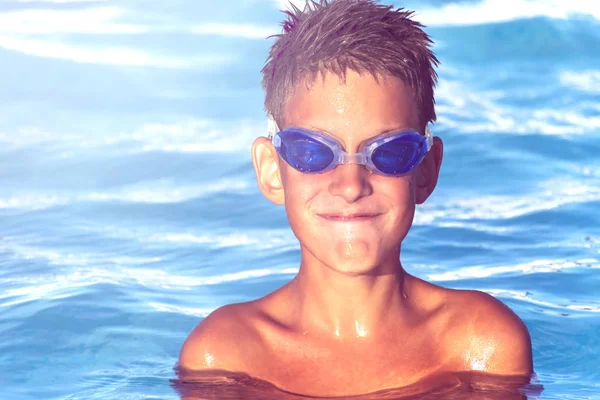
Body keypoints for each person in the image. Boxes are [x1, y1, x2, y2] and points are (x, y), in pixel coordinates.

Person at [178, 0, 533, 396]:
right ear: (271, 170)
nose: (351, 185)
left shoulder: (479, 345)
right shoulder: (227, 355)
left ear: (426, 170)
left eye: (389, 153)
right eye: (313, 152)